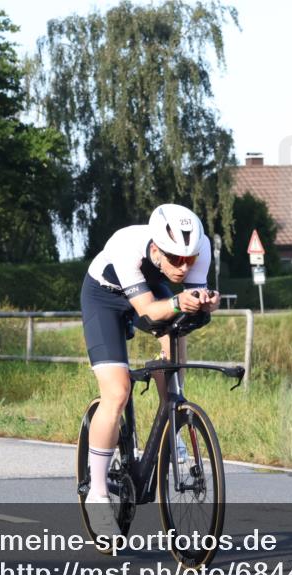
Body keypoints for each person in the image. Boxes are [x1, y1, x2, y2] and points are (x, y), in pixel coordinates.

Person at [79, 203, 220, 537]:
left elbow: (190, 301)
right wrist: (176, 303)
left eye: (190, 259)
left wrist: (204, 303)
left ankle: (173, 417)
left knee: (178, 329)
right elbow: (149, 310)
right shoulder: (127, 246)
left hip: (150, 289)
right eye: (175, 259)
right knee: (116, 392)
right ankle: (97, 494)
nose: (184, 267)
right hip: (105, 297)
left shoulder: (199, 249)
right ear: (156, 249)